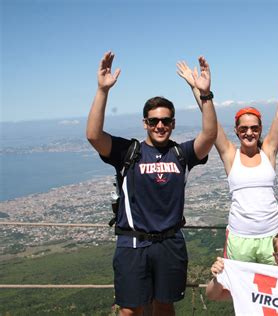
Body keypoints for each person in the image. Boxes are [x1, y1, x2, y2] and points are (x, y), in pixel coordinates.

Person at [86, 51, 217, 316]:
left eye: (166, 120)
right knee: (129, 310)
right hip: (133, 244)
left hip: (170, 242)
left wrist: (205, 95)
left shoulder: (181, 153)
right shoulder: (128, 152)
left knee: (164, 306)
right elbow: (93, 135)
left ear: (173, 123)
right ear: (145, 123)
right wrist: (102, 90)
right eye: (154, 121)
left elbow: (210, 135)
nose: (160, 125)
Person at [177, 61, 278, 264]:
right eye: (243, 129)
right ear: (236, 131)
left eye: (254, 128)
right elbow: (211, 122)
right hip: (239, 238)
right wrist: (198, 89)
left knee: (274, 289)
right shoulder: (230, 155)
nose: (249, 132)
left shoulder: (268, 152)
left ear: (260, 129)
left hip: (272, 237)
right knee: (241, 291)